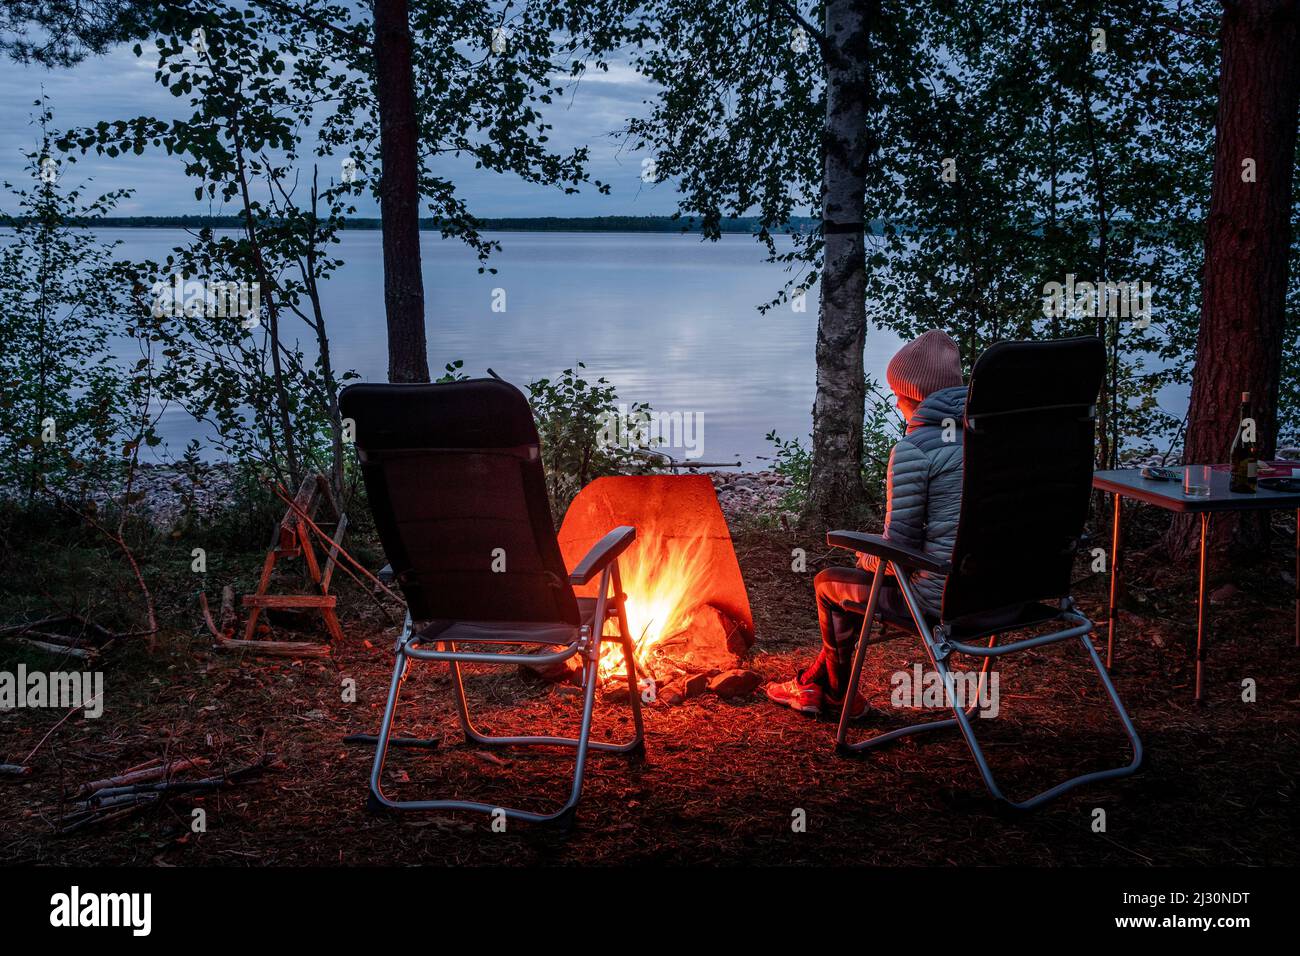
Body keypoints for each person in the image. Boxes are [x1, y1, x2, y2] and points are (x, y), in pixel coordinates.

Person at [766, 329, 967, 719]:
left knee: (830, 584)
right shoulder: (991, 440)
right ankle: (813, 682)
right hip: (999, 594)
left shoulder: (915, 449)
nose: (895, 401)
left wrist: (866, 557)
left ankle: (838, 697)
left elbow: (899, 554)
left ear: (912, 396)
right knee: (864, 581)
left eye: (897, 393)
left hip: (941, 600)